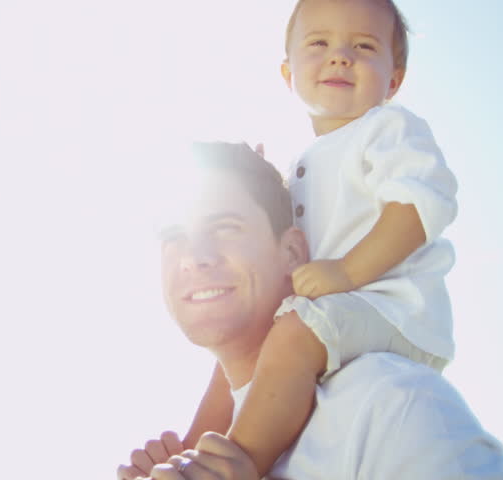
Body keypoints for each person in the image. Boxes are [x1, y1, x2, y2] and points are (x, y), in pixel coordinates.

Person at [162, 0, 460, 475]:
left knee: (291, 335)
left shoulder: (388, 128)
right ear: (288, 73)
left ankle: (243, 461)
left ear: (394, 80)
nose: (340, 56)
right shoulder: (307, 160)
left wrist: (346, 272)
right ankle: (192, 453)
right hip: (336, 316)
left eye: (364, 46)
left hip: (395, 308)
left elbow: (419, 207)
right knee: (269, 343)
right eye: (319, 43)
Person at [117, 142, 503, 479]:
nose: (194, 258)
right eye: (174, 237)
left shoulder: (391, 404)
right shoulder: (189, 455)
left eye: (225, 228)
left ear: (291, 253)